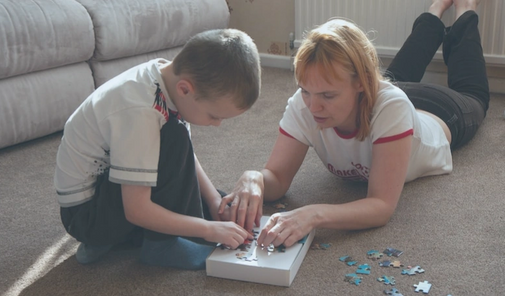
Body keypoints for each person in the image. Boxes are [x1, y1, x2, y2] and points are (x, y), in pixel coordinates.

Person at [219, 0, 490, 248]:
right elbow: (277, 178)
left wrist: (313, 214)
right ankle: (433, 14)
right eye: (305, 90)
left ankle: (465, 9)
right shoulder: (308, 103)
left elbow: (381, 206)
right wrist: (253, 177)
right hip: (377, 97)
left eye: (327, 95)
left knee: (474, 94)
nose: (313, 107)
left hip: (438, 111)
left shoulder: (390, 105)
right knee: (396, 76)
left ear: (362, 83)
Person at [54, 28, 261, 269]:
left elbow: (184, 158)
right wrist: (207, 229)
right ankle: (162, 246)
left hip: (113, 189)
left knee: (215, 202)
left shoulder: (169, 78)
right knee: (174, 137)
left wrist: (214, 201)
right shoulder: (141, 110)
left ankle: (128, 239)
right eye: (214, 115)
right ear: (186, 89)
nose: (217, 124)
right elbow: (137, 210)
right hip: (87, 216)